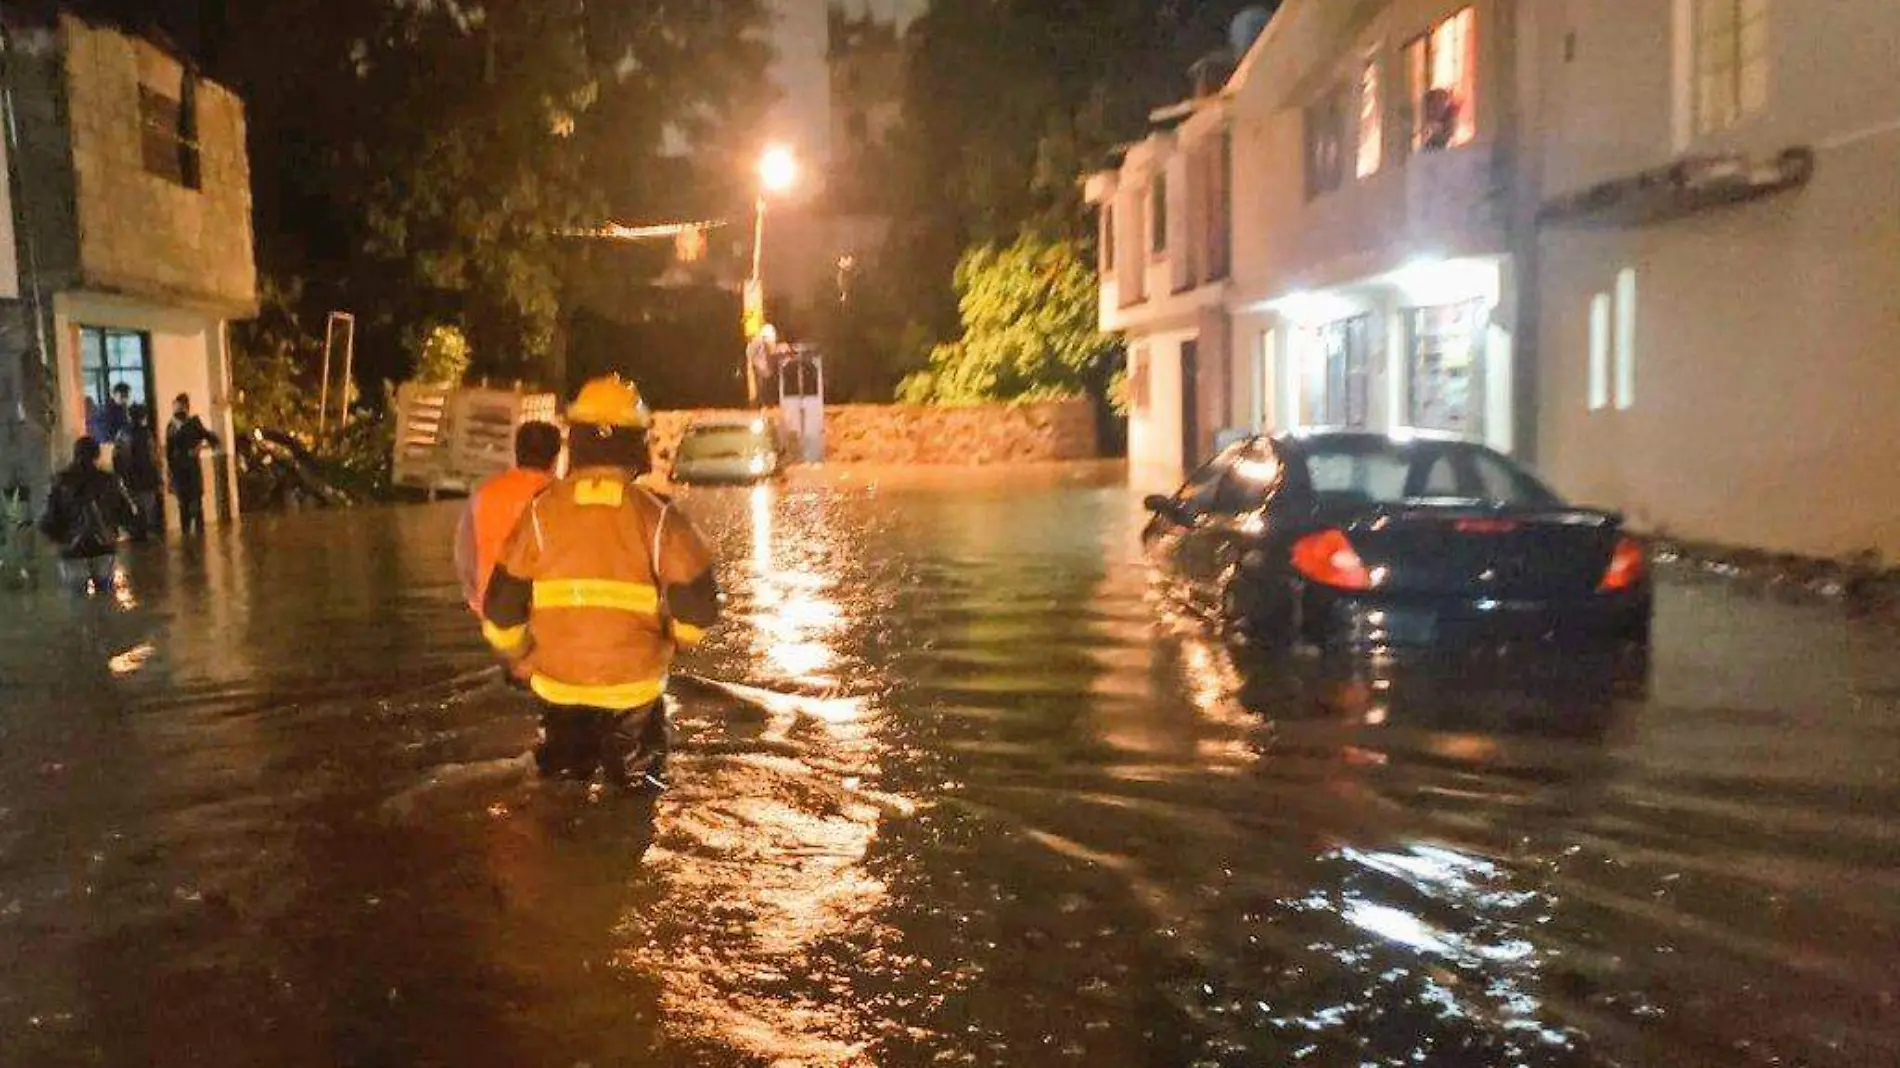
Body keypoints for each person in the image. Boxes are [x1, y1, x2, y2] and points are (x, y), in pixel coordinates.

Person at [482, 376, 722, 793]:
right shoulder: (656, 516)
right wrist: (674, 642)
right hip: (634, 694)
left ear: (575, 442)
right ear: (636, 443)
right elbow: (699, 607)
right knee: (637, 799)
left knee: (558, 796)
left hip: (557, 688)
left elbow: (500, 611)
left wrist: (520, 657)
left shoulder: (540, 513)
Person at [455, 419, 562, 615]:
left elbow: (465, 557)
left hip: (495, 612)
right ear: (556, 458)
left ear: (516, 453)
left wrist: (479, 604)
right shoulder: (565, 498)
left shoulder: (483, 496)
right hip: (552, 616)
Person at [38, 436, 135, 594]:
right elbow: (126, 512)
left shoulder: (60, 481)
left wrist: (55, 540)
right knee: (106, 598)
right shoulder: (109, 480)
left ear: (75, 454)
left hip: (71, 549)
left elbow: (47, 517)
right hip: (104, 546)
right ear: (97, 455)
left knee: (78, 601)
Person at [165, 393, 221, 534]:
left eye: (180, 406)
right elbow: (169, 452)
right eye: (175, 406)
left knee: (195, 505)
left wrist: (199, 448)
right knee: (182, 506)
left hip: (192, 471)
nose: (177, 409)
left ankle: (199, 538)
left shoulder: (194, 423)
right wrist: (169, 473)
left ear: (186, 407)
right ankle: (186, 537)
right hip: (178, 472)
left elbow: (213, 439)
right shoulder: (171, 426)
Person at [114, 404, 163, 541]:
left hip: (130, 481)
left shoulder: (122, 434)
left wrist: (121, 477)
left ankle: (137, 538)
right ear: (143, 417)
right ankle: (146, 538)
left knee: (134, 511)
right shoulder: (147, 434)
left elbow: (117, 458)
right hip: (148, 481)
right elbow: (154, 458)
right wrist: (158, 478)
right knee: (147, 512)